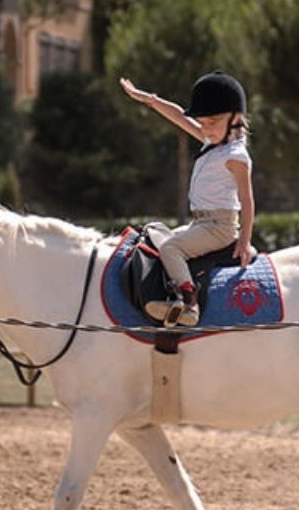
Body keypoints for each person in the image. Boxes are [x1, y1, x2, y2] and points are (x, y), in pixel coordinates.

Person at [120, 70, 256, 327]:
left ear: (235, 119)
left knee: (172, 248)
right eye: (203, 124)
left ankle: (189, 302)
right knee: (160, 238)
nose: (206, 129)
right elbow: (178, 115)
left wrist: (245, 241)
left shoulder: (236, 155)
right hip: (202, 223)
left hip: (220, 227)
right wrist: (150, 99)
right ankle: (168, 291)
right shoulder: (211, 141)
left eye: (212, 123)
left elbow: (247, 201)